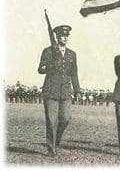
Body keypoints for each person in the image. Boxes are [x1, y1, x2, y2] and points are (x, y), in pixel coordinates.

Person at [38, 25, 81, 157]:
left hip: (66, 91)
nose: (65, 38)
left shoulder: (71, 54)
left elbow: (74, 73)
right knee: (51, 121)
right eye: (63, 35)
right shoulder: (48, 51)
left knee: (66, 118)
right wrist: (51, 66)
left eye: (67, 36)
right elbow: (40, 69)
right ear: (56, 37)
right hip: (51, 90)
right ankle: (51, 148)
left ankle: (56, 140)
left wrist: (77, 90)